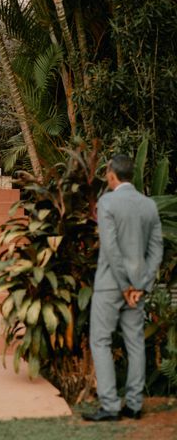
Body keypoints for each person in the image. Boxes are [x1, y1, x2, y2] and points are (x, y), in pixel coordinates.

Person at [82, 154, 163, 422]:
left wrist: (126, 285)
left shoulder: (107, 202)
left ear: (112, 174)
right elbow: (156, 249)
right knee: (135, 342)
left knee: (101, 341)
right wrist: (140, 285)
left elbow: (111, 247)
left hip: (110, 285)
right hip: (137, 288)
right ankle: (135, 404)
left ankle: (110, 405)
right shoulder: (149, 205)